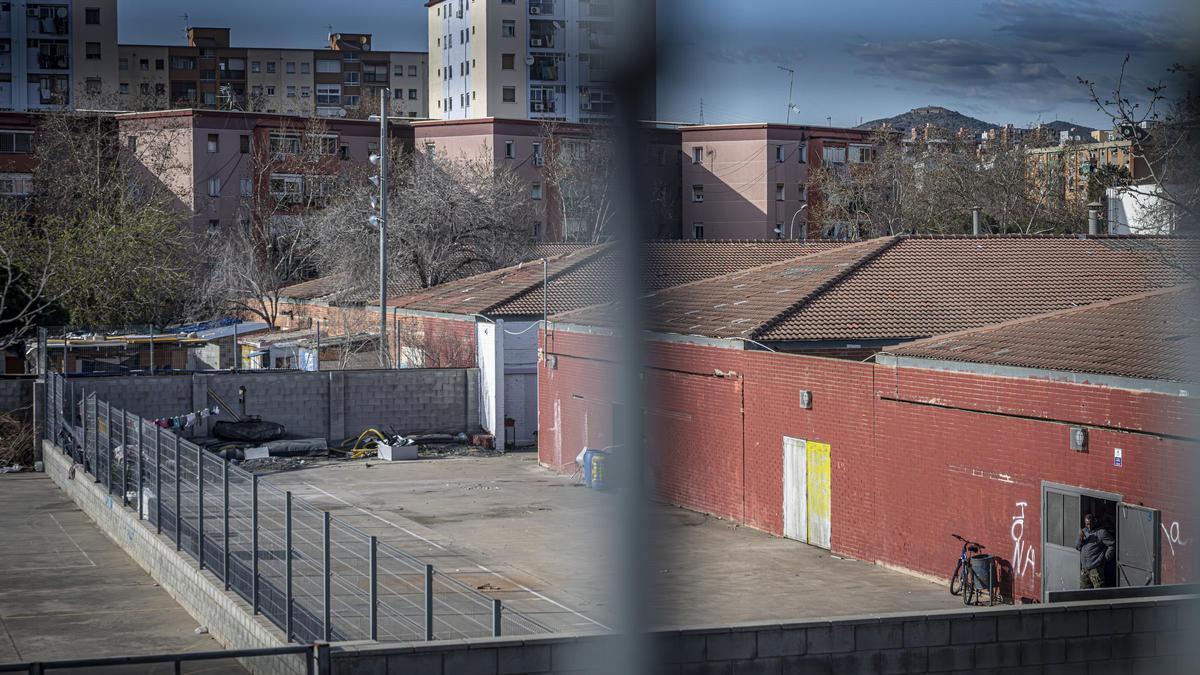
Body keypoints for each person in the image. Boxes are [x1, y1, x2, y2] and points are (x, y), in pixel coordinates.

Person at [1075, 513, 1115, 588]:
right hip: (1085, 569)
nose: (1089, 526)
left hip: (1096, 569)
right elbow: (1077, 547)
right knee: (1083, 593)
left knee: (1098, 592)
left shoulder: (1101, 532)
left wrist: (1105, 559)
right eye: (1087, 524)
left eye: (1090, 524)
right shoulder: (1083, 532)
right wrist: (1081, 539)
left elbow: (1112, 544)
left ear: (1094, 522)